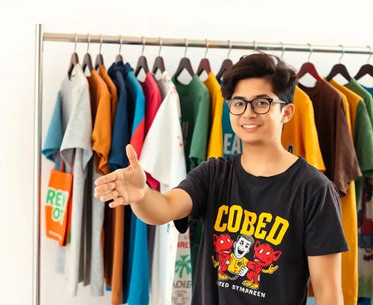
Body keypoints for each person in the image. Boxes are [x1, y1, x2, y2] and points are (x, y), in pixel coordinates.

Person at [94, 52, 348, 305]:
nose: (247, 113)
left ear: (287, 112)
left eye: (262, 103)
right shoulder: (214, 173)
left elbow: (328, 291)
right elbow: (166, 208)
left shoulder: (315, 190)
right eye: (238, 104)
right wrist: (141, 195)